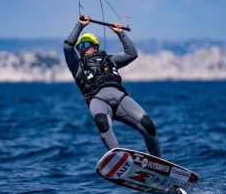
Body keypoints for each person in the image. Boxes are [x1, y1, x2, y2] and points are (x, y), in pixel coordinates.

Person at [63, 15, 162, 158]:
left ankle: (159, 163)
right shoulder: (76, 65)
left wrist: (120, 33)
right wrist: (80, 26)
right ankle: (118, 161)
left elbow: (131, 54)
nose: (82, 49)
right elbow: (67, 47)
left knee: (148, 125)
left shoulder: (110, 59)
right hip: (97, 101)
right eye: (79, 47)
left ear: (95, 46)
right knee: (102, 122)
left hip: (120, 98)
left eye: (85, 45)